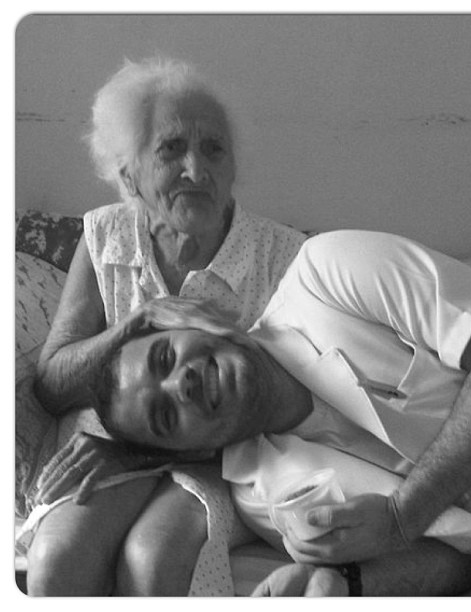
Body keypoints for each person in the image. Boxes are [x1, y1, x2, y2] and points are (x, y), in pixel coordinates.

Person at [27, 230, 471, 596]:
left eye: (165, 356)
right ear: (194, 450)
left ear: (197, 323)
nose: (182, 383)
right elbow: (466, 559)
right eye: (165, 416)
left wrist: (404, 514)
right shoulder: (262, 498)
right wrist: (347, 585)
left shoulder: (328, 269)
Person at [23, 56, 305, 596]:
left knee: (153, 558)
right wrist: (137, 324)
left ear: (233, 167)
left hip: (222, 462)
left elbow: (290, 407)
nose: (196, 170)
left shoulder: (282, 256)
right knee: (57, 561)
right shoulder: (105, 235)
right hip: (105, 444)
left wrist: (137, 452)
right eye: (171, 149)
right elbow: (51, 384)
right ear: (128, 174)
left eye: (214, 150)